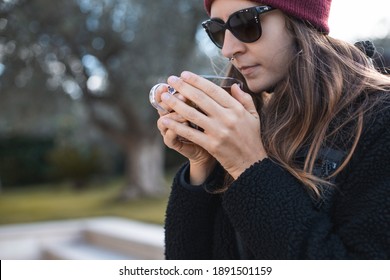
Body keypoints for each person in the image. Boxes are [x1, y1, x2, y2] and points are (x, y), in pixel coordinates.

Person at [155, 0, 390, 259]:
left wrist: (247, 165)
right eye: (218, 30)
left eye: (244, 23)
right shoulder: (246, 121)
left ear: (300, 18)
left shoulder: (380, 120)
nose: (228, 50)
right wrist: (202, 163)